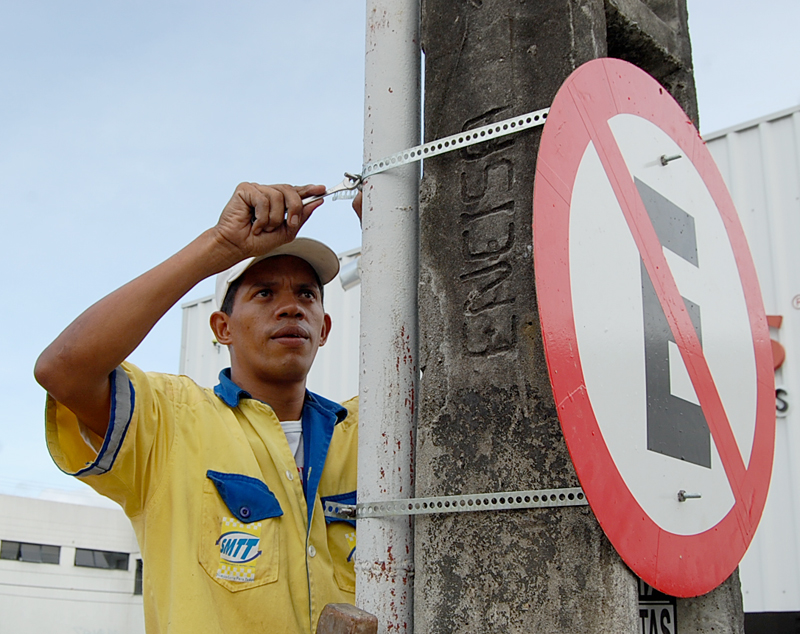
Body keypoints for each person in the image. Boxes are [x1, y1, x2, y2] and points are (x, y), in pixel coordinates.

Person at [35, 182, 364, 634]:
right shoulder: (170, 423)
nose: (291, 307)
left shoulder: (371, 433)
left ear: (324, 328)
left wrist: (393, 233)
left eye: (306, 294)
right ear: (222, 327)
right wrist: (221, 245)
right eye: (264, 294)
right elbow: (62, 370)